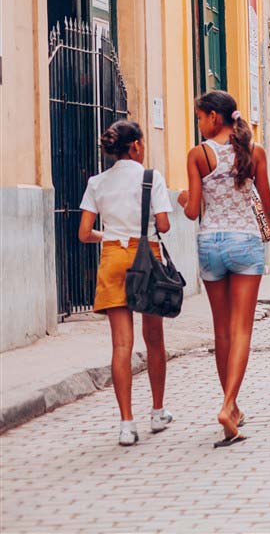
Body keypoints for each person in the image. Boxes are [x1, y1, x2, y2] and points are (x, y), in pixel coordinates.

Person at [180, 90, 270, 448]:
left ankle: (233, 404)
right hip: (245, 244)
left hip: (210, 245)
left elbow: (193, 211)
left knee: (221, 331)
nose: (198, 124)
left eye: (199, 117)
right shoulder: (254, 152)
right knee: (242, 330)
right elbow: (267, 203)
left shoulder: (198, 155)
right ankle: (228, 406)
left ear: (214, 117)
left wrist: (183, 198)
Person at [78, 120, 173, 446]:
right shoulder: (151, 178)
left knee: (121, 345)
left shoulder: (97, 182)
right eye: (142, 143)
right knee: (154, 340)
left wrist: (111, 236)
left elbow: (84, 232)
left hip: (112, 259)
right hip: (146, 258)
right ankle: (157, 412)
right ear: (135, 146)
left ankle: (126, 424)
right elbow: (163, 223)